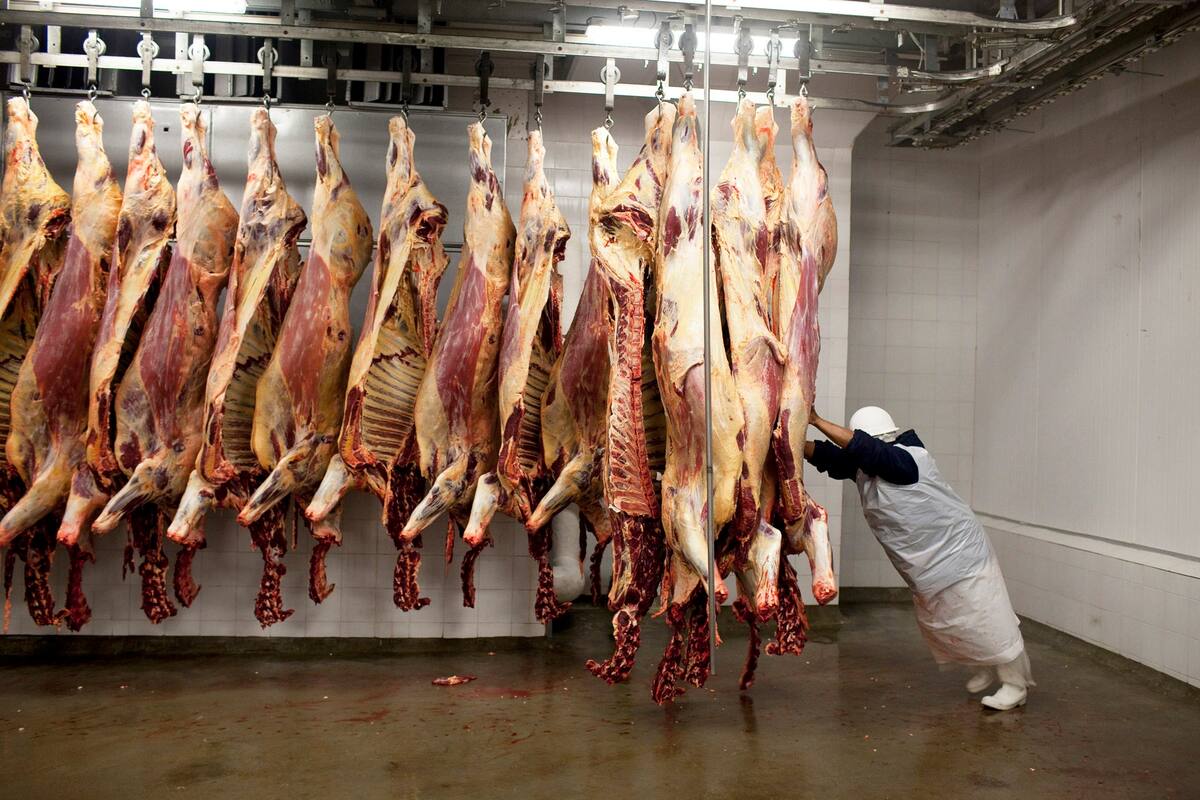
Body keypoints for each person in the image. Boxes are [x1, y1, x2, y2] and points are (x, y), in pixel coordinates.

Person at [804, 405, 1033, 711]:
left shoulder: (906, 460)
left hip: (961, 556)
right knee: (949, 621)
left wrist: (816, 420)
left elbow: (867, 450)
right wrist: (788, 441)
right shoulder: (867, 464)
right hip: (928, 564)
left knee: (987, 620)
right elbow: (830, 457)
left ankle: (1015, 685)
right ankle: (983, 663)